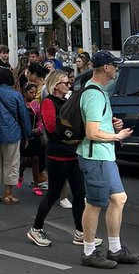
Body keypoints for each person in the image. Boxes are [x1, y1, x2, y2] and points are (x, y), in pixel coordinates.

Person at [77, 50, 139, 268]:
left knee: (119, 199)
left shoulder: (98, 91)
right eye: (115, 65)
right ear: (106, 68)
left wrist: (110, 124)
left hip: (103, 155)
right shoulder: (94, 94)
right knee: (94, 204)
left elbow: (95, 124)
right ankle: (89, 252)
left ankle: (115, 249)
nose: (117, 69)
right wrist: (117, 135)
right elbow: (92, 132)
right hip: (96, 156)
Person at [26, 70, 96, 249]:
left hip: (72, 153)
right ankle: (36, 228)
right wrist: (71, 133)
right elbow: (51, 128)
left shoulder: (66, 101)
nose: (69, 85)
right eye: (65, 82)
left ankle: (80, 231)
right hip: (57, 155)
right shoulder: (49, 102)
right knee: (53, 194)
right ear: (56, 85)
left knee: (79, 193)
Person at [0, 68, 31, 202]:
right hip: (11, 133)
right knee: (11, 163)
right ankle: (8, 194)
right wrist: (28, 134)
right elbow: (23, 116)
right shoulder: (16, 95)